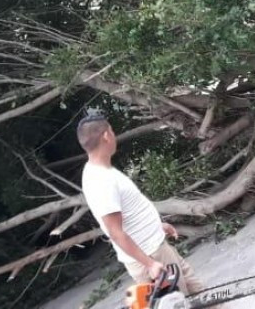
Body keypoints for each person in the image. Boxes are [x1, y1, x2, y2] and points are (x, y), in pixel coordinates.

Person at [78, 113, 207, 295]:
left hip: (157, 248)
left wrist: (157, 225)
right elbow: (115, 232)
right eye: (112, 131)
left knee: (201, 295)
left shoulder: (102, 171)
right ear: (106, 136)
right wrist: (150, 264)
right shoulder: (101, 181)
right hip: (151, 256)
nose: (114, 135)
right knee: (180, 303)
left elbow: (129, 214)